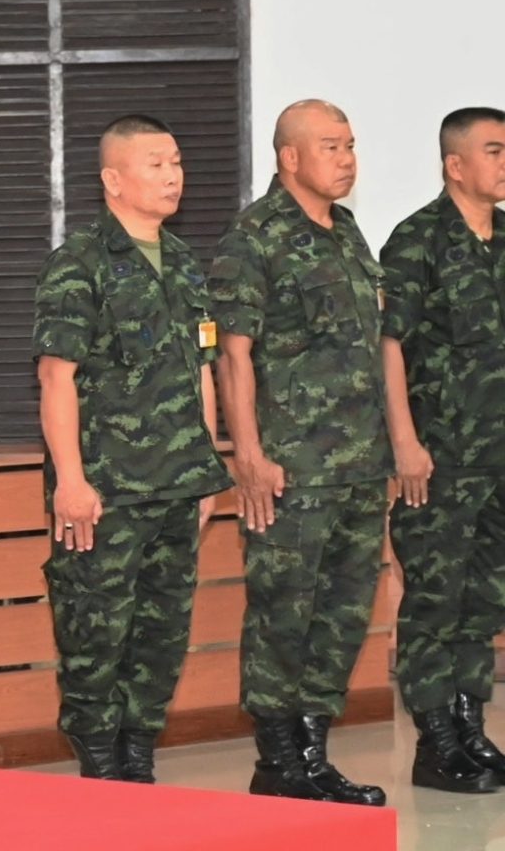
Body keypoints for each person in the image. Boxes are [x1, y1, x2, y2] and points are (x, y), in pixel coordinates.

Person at [34, 115, 233, 784]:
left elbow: (202, 371)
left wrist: (206, 472)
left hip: (178, 484)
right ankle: (98, 760)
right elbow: (56, 378)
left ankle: (139, 753)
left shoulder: (183, 262)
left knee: (162, 632)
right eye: (155, 164)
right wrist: (70, 481)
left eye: (176, 162)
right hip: (107, 489)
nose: (173, 175)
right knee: (95, 631)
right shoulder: (80, 263)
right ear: (113, 180)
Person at [208, 99, 390, 806]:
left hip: (359, 465)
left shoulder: (346, 231)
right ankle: (278, 759)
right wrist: (249, 456)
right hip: (292, 469)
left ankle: (313, 756)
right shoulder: (255, 237)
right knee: (283, 614)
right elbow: (233, 355)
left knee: (342, 615)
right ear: (290, 158)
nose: (347, 159)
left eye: (350, 145)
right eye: (331, 146)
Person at [380, 106, 505, 794]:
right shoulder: (418, 240)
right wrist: (404, 441)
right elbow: (389, 346)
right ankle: (434, 742)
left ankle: (469, 727)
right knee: (434, 596)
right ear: (456, 165)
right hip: (441, 456)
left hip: (499, 456)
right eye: (494, 150)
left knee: (484, 598)